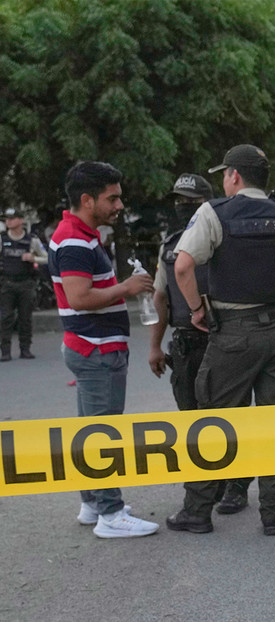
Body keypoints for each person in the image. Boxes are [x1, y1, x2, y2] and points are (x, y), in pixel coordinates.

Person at [165, 145, 275, 537]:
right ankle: (273, 514)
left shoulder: (214, 213)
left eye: (225, 174)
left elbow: (183, 265)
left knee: (214, 421)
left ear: (235, 176)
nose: (224, 180)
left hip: (234, 333)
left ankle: (198, 511)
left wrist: (197, 310)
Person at [50, 161, 160, 538]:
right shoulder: (75, 241)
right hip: (95, 349)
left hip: (92, 347)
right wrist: (126, 289)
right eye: (112, 198)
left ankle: (93, 502)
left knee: (90, 430)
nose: (119, 205)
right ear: (87, 200)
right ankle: (110, 515)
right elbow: (79, 297)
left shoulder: (80, 234)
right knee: (103, 434)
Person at [148, 174, 250, 513]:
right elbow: (161, 298)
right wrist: (154, 346)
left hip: (223, 338)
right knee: (191, 421)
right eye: (178, 200)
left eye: (190, 201)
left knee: (231, 418)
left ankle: (237, 485)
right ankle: (208, 487)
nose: (183, 206)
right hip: (185, 342)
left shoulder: (225, 236)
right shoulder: (170, 244)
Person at [1, 207, 48, 360]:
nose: (9, 221)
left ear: (21, 221)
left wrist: (33, 258)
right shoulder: (2, 239)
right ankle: (5, 351)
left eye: (12, 218)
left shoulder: (31, 240)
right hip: (7, 283)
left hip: (26, 283)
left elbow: (46, 257)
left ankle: (25, 349)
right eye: (7, 219)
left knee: (25, 318)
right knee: (5, 318)